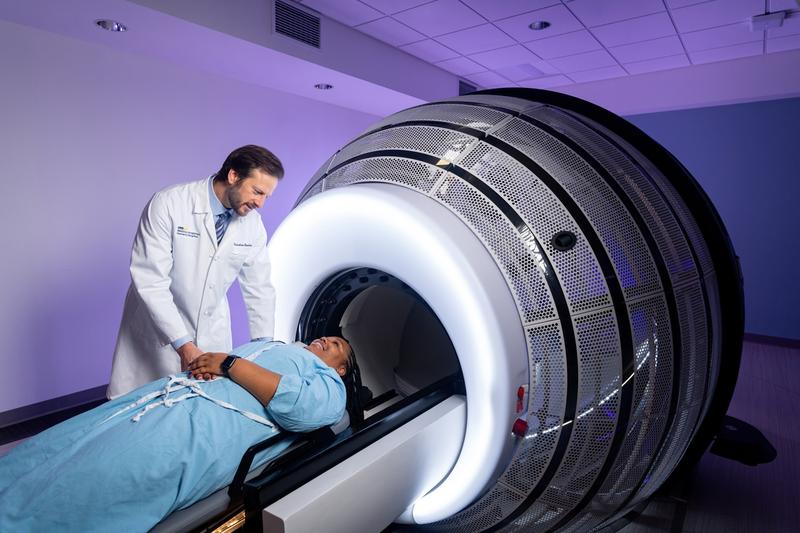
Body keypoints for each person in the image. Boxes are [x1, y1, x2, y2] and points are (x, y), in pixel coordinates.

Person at [0, 336, 361, 532]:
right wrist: (211, 365)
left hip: (199, 430)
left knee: (96, 477)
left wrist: (230, 364)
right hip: (164, 399)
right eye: (327, 337)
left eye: (337, 346)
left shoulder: (330, 385)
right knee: (68, 442)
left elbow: (301, 409)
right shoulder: (274, 344)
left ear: (342, 369)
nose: (327, 340)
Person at [108, 145, 285, 399]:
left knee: (199, 414)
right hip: (157, 336)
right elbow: (150, 280)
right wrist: (183, 344)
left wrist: (264, 347)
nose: (260, 203)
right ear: (233, 176)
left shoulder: (252, 224)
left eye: (267, 196)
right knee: (137, 415)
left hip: (211, 334)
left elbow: (260, 288)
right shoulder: (170, 203)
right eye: (257, 192)